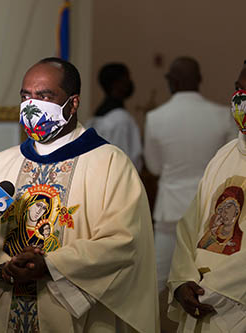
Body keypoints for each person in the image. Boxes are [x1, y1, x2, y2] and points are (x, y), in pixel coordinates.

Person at [0, 57, 159, 332]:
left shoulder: (109, 164)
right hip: (2, 307)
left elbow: (124, 241)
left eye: (44, 96)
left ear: (73, 103)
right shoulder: (0, 165)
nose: (32, 105)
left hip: (72, 317)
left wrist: (52, 265)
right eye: (26, 96)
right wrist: (1, 268)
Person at [144, 57, 236, 297]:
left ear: (171, 82)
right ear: (200, 79)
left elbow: (153, 166)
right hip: (210, 211)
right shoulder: (221, 114)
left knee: (158, 282)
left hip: (169, 210)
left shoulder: (156, 118)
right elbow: (231, 163)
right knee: (207, 280)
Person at [166, 60, 246, 332]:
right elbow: (191, 224)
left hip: (234, 303)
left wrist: (214, 288)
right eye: (238, 89)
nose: (241, 99)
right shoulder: (224, 154)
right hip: (198, 296)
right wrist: (181, 279)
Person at [88, 63, 143, 171]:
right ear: (117, 84)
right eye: (127, 79)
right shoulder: (121, 120)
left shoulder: (93, 119)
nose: (129, 83)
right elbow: (125, 161)